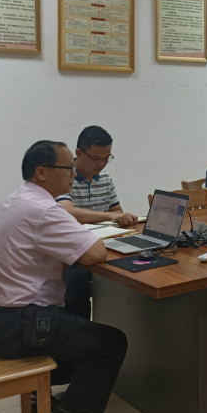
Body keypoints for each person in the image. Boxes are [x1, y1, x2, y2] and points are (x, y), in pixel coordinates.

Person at [0, 140, 128, 413]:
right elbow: (95, 253)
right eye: (68, 168)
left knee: (75, 318)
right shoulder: (44, 210)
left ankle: (37, 402)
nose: (74, 174)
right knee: (110, 343)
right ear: (42, 173)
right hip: (17, 325)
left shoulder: (16, 200)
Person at [57, 125, 136, 318]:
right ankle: (79, 327)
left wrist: (122, 218)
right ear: (78, 153)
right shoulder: (63, 176)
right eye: (96, 158)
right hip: (75, 252)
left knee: (133, 266)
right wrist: (109, 216)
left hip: (103, 246)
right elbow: (68, 212)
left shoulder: (105, 178)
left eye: (107, 158)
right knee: (76, 279)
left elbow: (116, 211)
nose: (102, 164)